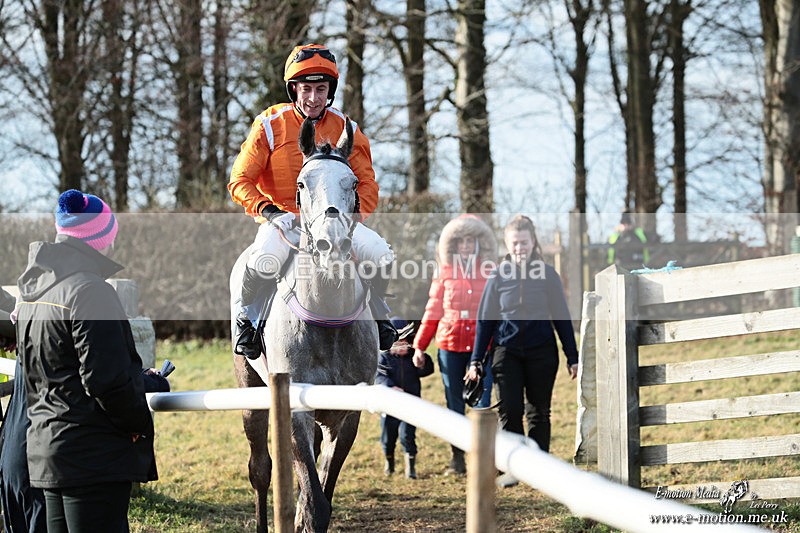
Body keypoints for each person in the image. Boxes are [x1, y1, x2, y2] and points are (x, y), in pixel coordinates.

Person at [228, 43, 396, 359]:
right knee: (264, 257)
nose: (313, 98)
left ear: (330, 90)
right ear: (294, 89)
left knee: (379, 252)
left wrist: (349, 221)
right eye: (307, 89)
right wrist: (269, 211)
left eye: (321, 89)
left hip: (336, 224)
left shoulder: (349, 129)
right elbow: (240, 181)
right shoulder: (269, 124)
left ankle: (380, 313)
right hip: (284, 221)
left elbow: (368, 186)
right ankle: (248, 323)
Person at [13, 189, 161, 532]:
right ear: (100, 240)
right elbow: (106, 380)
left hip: (47, 452)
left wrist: (143, 381)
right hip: (92, 458)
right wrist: (138, 421)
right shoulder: (91, 292)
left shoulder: (36, 294)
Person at [466, 215, 578, 488]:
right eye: (514, 243)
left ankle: (539, 469)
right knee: (510, 409)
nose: (519, 248)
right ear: (507, 244)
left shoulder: (548, 275)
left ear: (533, 242)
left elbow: (561, 317)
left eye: (524, 242)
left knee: (539, 411)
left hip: (543, 352)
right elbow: (485, 321)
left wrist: (572, 356)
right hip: (507, 351)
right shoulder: (498, 276)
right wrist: (476, 361)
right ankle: (515, 467)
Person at [411, 214, 496, 475]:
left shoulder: (490, 272)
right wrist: (420, 345)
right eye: (462, 242)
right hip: (449, 345)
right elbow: (433, 309)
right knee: (454, 404)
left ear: (479, 244)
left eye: (471, 241)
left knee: (482, 401)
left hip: (482, 348)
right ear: (454, 245)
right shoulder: (445, 273)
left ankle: (483, 459)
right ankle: (457, 459)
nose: (467, 246)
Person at [375, 319, 433, 480]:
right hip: (390, 406)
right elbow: (378, 376)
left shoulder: (413, 357)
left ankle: (410, 467)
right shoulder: (384, 358)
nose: (401, 345)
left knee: (408, 435)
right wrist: (390, 386)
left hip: (411, 404)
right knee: (388, 436)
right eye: (397, 341)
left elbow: (427, 370)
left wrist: (422, 363)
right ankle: (389, 462)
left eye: (404, 340)